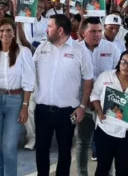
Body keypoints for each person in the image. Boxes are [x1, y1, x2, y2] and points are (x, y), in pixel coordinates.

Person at [33, 14, 94, 176]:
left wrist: (82, 106)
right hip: (42, 110)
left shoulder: (80, 51)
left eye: (49, 26)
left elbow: (88, 81)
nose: (46, 30)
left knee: (65, 152)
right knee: (41, 151)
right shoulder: (41, 48)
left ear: (60, 30)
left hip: (68, 112)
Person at [0, 18, 35, 176]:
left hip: (16, 101)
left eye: (8, 30)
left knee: (9, 146)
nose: (5, 33)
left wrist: (25, 106)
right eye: (1, 31)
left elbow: (29, 80)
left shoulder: (23, 52)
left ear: (14, 33)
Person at [90, 50, 128, 176]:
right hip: (105, 130)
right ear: (119, 62)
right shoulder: (106, 76)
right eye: (123, 62)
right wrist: (98, 110)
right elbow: (94, 94)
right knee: (102, 168)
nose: (126, 66)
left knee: (123, 170)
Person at [76, 17, 121, 172]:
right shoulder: (75, 49)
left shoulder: (112, 48)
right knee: (83, 143)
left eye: (99, 31)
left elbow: (121, 76)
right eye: (93, 31)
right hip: (84, 104)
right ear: (83, 33)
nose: (97, 34)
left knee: (107, 144)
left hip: (106, 106)